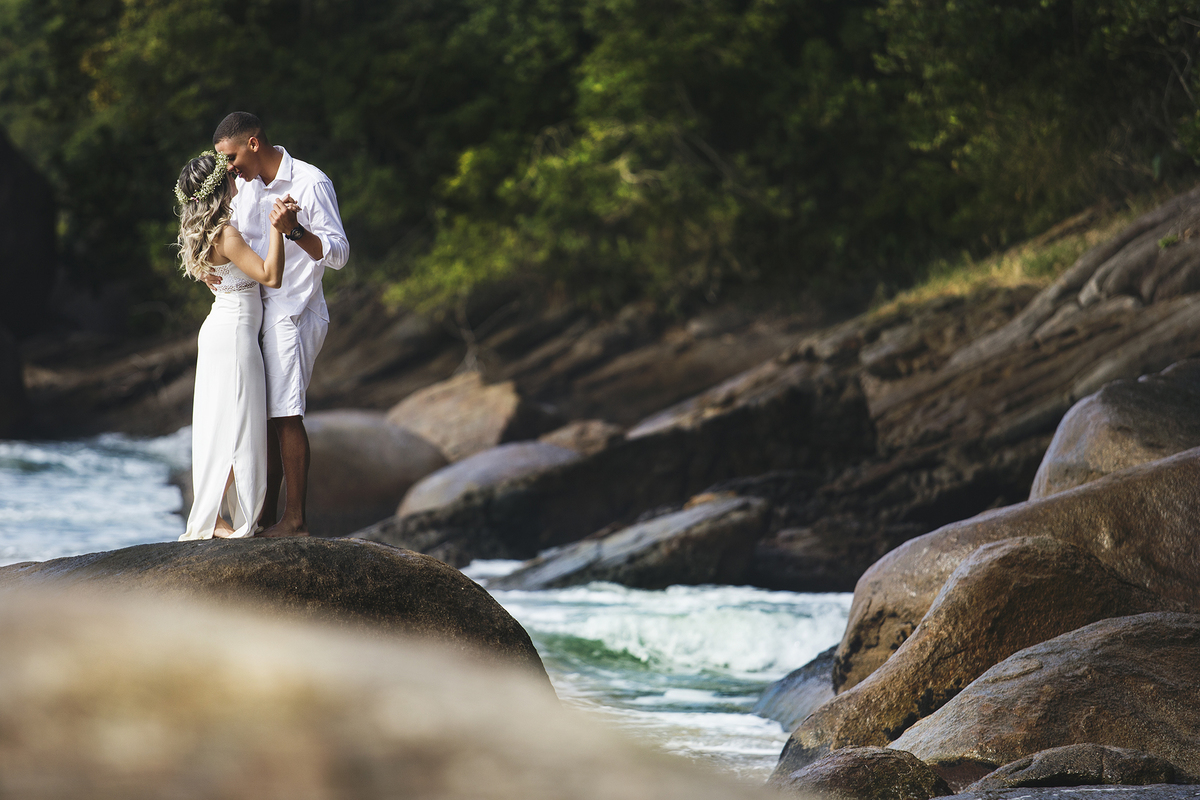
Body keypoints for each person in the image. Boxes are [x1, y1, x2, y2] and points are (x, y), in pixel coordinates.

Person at [210, 112, 350, 537]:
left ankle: (295, 520)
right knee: (262, 417)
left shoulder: (310, 182)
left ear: (253, 143)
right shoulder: (245, 190)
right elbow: (236, 244)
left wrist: (294, 232)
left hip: (294, 312)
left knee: (286, 415)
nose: (227, 167)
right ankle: (262, 518)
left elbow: (339, 254)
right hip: (255, 312)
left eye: (230, 156)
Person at [174, 150, 289, 540]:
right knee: (236, 424)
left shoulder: (203, 234)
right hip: (235, 336)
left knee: (222, 424)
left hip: (220, 332)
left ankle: (213, 516)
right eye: (228, 176)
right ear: (220, 186)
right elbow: (270, 275)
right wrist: (277, 226)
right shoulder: (225, 233)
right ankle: (216, 519)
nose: (235, 178)